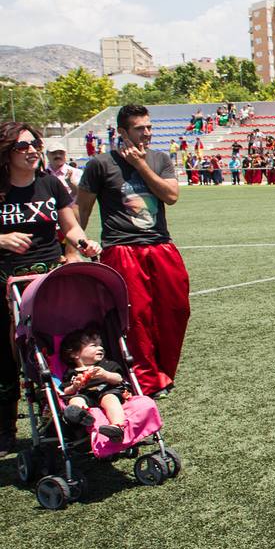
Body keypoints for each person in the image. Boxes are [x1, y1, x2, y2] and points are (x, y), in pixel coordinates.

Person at [0, 122, 100, 453]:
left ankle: (58, 414)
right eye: (22, 146)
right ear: (5, 152)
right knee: (5, 360)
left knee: (49, 350)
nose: (32, 150)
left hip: (46, 281)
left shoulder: (50, 184)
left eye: (35, 144)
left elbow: (70, 226)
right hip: (6, 281)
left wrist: (84, 243)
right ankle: (5, 428)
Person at [76, 105, 188, 399]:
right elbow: (82, 210)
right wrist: (72, 249)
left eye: (149, 127)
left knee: (176, 310)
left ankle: (164, 373)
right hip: (122, 248)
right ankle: (146, 381)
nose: (147, 133)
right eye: (140, 128)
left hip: (160, 245)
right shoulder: (100, 164)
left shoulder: (159, 158)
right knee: (136, 317)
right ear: (122, 132)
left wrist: (141, 166)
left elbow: (171, 196)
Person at [59, 326, 128, 441]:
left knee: (110, 399)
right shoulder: (72, 372)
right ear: (75, 354)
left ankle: (117, 427)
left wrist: (106, 375)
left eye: (101, 345)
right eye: (94, 345)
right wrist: (74, 386)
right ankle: (83, 415)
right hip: (85, 395)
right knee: (74, 400)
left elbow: (119, 378)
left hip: (106, 391)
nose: (100, 348)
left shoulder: (107, 364)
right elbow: (66, 391)